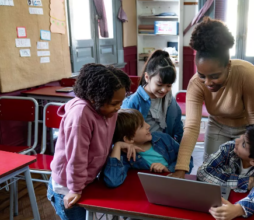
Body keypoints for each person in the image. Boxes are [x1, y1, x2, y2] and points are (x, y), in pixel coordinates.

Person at [171, 17, 254, 179]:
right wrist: (181, 169)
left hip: (246, 130)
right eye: (202, 75)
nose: (207, 82)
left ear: (227, 66)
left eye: (214, 76)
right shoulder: (195, 84)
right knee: (211, 174)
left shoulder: (247, 73)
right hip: (217, 127)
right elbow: (192, 127)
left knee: (244, 176)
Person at [47, 64, 140, 220]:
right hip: (67, 187)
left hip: (86, 179)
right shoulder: (80, 115)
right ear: (94, 98)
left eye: (120, 102)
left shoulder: (108, 111)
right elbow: (76, 158)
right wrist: (75, 189)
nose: (118, 107)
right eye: (114, 103)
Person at [197, 125, 254, 220]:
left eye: (243, 144)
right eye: (241, 136)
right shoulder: (229, 148)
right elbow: (203, 172)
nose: (236, 141)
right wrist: (242, 182)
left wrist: (238, 209)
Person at [103, 109, 193, 188]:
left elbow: (188, 159)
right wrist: (117, 146)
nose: (148, 126)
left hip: (174, 187)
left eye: (144, 121)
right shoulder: (126, 156)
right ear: (129, 139)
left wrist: (169, 169)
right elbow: (113, 181)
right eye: (142, 126)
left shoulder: (163, 139)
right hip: (148, 193)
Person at [121, 50, 183, 143]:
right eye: (159, 84)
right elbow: (123, 131)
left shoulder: (169, 98)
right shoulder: (134, 101)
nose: (164, 90)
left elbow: (177, 123)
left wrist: (179, 145)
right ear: (147, 77)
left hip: (164, 145)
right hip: (142, 147)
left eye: (169, 86)